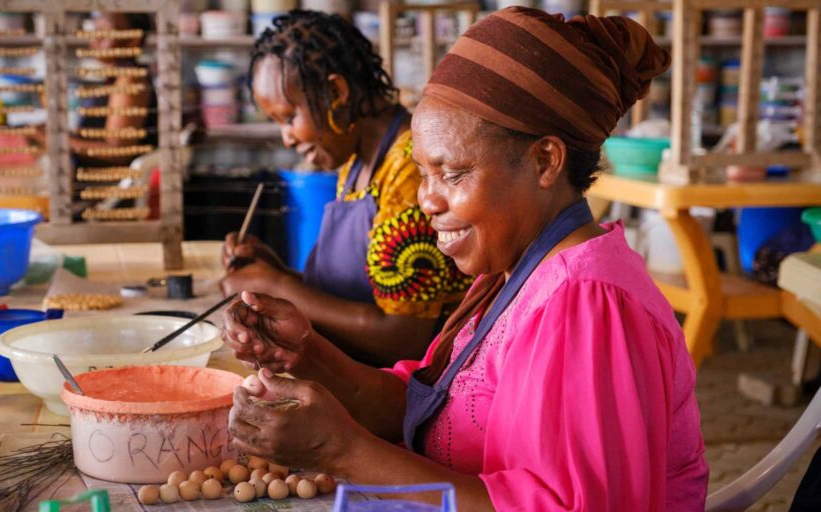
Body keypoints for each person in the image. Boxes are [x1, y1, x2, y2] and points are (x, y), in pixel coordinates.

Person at [223, 7, 709, 510]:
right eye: (423, 174)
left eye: (452, 174)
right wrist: (307, 354)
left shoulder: (589, 305)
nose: (427, 200)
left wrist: (341, 450)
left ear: (545, 160)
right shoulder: (513, 274)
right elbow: (431, 408)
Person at [221, 10, 471, 367]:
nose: (286, 138)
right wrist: (270, 272)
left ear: (336, 92)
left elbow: (404, 337)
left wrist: (279, 286)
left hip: (411, 394)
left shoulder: (409, 170)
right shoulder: (356, 165)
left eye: (289, 118)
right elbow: (353, 295)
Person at [71, 11, 156, 167]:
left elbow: (118, 152)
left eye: (105, 33)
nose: (96, 39)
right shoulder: (116, 78)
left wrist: (57, 141)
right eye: (95, 31)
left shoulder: (130, 80)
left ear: (132, 40)